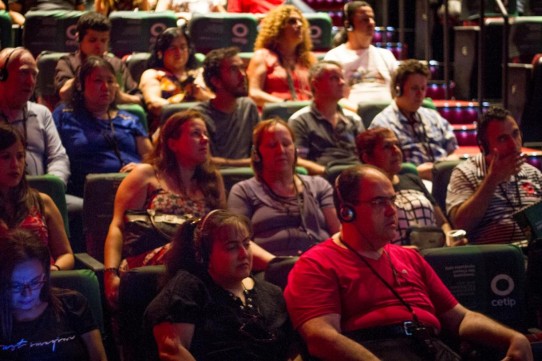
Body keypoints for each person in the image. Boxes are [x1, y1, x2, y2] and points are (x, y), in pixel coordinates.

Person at [284, 164, 533, 361]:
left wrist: (513, 338)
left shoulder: (410, 257)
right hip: (375, 349)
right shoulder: (316, 264)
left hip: (431, 348)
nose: (393, 211)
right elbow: (320, 337)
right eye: (379, 202)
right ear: (346, 212)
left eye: (392, 200)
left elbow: (460, 318)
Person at [103, 109, 226, 309]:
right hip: (148, 261)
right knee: (190, 244)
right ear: (172, 143)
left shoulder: (212, 181)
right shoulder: (147, 175)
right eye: (196, 134)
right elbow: (117, 227)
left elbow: (222, 228)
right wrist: (110, 273)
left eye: (206, 134)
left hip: (199, 264)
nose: (205, 140)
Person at [144, 209, 293, 361]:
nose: (244, 254)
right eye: (231, 247)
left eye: (246, 244)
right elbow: (172, 352)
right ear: (204, 254)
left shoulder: (271, 293)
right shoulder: (186, 289)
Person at [228, 119, 340, 256]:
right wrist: (275, 264)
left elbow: (338, 233)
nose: (281, 150)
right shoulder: (243, 191)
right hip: (271, 270)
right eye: (272, 145)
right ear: (257, 153)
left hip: (320, 265)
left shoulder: (319, 185)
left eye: (286, 144)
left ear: (295, 149)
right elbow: (239, 241)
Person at [53, 56, 152, 198]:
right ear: (80, 85)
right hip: (89, 193)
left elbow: (153, 159)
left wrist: (142, 168)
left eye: (110, 81)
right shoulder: (64, 115)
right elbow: (52, 156)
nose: (106, 87)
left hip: (135, 188)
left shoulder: (130, 119)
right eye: (98, 81)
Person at [0, 228, 106, 360]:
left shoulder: (72, 303)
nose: (27, 294)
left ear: (45, 274)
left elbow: (99, 357)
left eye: (35, 282)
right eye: (15, 285)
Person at [447, 106, 542, 244]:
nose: (513, 144)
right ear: (482, 146)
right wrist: (492, 179)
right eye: (503, 139)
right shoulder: (465, 173)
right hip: (494, 258)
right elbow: (461, 225)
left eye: (515, 134)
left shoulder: (533, 173)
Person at [357, 127, 466, 247]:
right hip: (397, 258)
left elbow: (442, 223)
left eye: (397, 144)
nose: (396, 150)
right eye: (387, 147)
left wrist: (449, 241)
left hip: (435, 251)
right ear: (367, 157)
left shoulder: (412, 179)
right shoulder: (366, 191)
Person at [0, 123, 74, 271]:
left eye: (20, 156)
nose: (15, 165)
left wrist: (56, 269)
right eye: (6, 157)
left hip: (43, 285)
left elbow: (66, 255)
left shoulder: (42, 201)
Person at [370, 59, 458, 180]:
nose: (420, 94)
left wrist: (442, 168)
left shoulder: (433, 116)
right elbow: (381, 167)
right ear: (398, 89)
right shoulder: (382, 123)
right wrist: (416, 172)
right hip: (409, 181)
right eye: (414, 88)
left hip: (443, 179)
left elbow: (453, 153)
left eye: (423, 88)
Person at [0, 47, 70, 188]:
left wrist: (52, 185)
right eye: (24, 73)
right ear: (2, 75)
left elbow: (58, 158)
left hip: (41, 194)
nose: (30, 82)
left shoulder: (42, 113)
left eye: (34, 75)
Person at [288, 60, 364, 176]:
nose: (342, 82)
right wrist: (327, 173)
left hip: (357, 177)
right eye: (334, 78)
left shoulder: (354, 119)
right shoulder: (300, 120)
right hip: (321, 179)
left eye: (342, 78)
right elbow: (295, 159)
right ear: (315, 84)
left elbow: (366, 156)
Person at [55, 11, 142, 106]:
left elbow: (139, 99)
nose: (99, 46)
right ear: (78, 38)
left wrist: (121, 97)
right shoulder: (67, 62)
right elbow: (63, 94)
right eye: (92, 40)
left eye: (103, 40)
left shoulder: (116, 64)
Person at [194, 47, 259, 168]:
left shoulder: (248, 107)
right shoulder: (198, 116)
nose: (243, 75)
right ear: (216, 81)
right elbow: (204, 162)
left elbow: (259, 151)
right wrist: (247, 164)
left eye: (242, 68)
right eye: (234, 70)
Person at [324, 1, 398, 106]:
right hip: (352, 116)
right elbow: (331, 96)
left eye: (372, 18)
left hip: (387, 116)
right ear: (348, 25)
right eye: (365, 20)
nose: (371, 23)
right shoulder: (334, 57)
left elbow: (399, 91)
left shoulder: (386, 55)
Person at [139, 26, 212, 129]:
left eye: (183, 47)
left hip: (202, 128)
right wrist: (184, 98)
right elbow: (154, 105)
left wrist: (201, 95)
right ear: (160, 53)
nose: (179, 53)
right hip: (169, 129)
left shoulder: (200, 74)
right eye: (172, 48)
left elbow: (217, 103)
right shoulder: (152, 74)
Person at [246, 5, 316, 107]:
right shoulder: (262, 56)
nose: (300, 25)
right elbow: (254, 94)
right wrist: (286, 106)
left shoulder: (309, 58)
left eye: (300, 21)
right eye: (292, 21)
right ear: (278, 28)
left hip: (305, 115)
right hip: (275, 115)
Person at [7, 0, 86, 26]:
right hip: (35, 26)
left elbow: (80, 12)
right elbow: (13, 12)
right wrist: (27, 24)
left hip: (66, 27)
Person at [155, 0, 225, 13]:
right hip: (178, 36)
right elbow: (159, 17)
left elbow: (225, 17)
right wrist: (179, 16)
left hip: (203, 36)